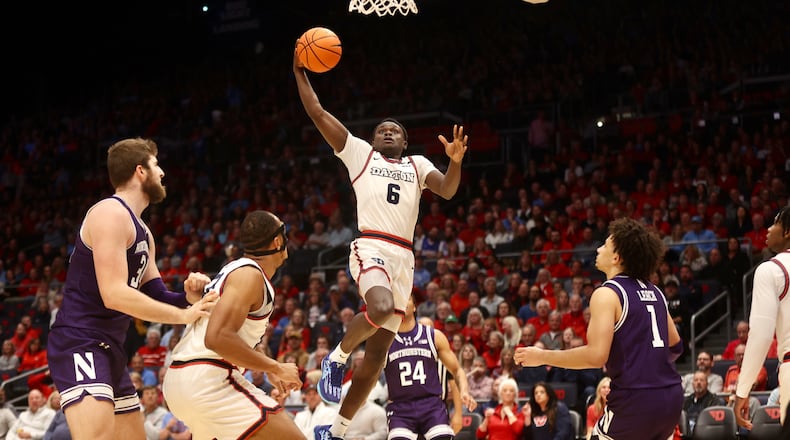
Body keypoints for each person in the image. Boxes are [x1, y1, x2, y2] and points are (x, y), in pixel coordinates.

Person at [294, 43, 468, 440]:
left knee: (374, 362)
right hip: (371, 245)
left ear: (405, 143)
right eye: (381, 130)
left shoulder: (418, 164)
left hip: (404, 257)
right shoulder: (360, 155)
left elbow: (448, 190)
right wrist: (299, 71)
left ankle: (334, 432)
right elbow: (318, 112)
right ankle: (336, 357)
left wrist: (455, 162)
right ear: (373, 139)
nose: (388, 131)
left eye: (396, 131)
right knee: (381, 306)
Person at [46, 138, 218, 440]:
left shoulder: (144, 233)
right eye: (156, 165)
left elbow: (157, 296)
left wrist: (190, 297)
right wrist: (185, 316)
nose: (162, 172)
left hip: (111, 348)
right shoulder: (109, 213)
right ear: (140, 171)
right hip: (80, 341)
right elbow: (114, 295)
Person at [514, 217, 684, 440]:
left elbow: (595, 356)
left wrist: (542, 356)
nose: (599, 248)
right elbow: (676, 347)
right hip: (671, 396)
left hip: (634, 398)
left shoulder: (607, 293)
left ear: (616, 257)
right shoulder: (656, 292)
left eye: (605, 244)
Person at [161, 210, 304, 439]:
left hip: (183, 377)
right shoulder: (249, 275)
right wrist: (275, 367)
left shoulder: (237, 271)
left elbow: (234, 333)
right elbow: (217, 338)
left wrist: (266, 366)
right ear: (278, 241)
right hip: (208, 380)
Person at [374, 294, 476, 440]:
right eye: (397, 300)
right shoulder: (384, 342)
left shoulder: (434, 336)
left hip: (432, 405)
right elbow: (369, 377)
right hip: (400, 408)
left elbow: (456, 370)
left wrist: (464, 392)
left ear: (415, 306)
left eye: (406, 298)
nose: (402, 302)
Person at [735, 206, 790, 431]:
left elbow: (760, 336)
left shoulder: (772, 269)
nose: (768, 229)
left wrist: (742, 390)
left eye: (775, 223)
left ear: (787, 231)